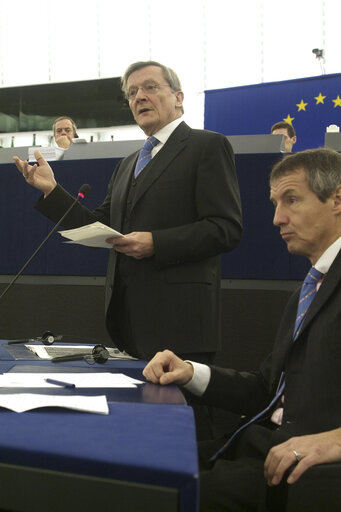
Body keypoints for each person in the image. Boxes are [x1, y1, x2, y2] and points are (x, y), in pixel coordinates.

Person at [143, 147, 341, 511]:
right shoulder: (307, 291)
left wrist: (336, 441)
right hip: (255, 447)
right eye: (275, 203)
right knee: (136, 466)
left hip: (303, 473)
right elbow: (265, 390)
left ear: (337, 199)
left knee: (148, 496)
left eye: (292, 200)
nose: (277, 218)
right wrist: (190, 373)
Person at [13, 61, 242, 363]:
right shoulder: (128, 163)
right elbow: (99, 224)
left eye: (150, 87)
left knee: (180, 411)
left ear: (178, 97)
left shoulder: (207, 146)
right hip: (128, 325)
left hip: (181, 326)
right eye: (132, 93)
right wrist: (52, 191)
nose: (139, 97)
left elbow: (225, 229)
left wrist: (156, 243)